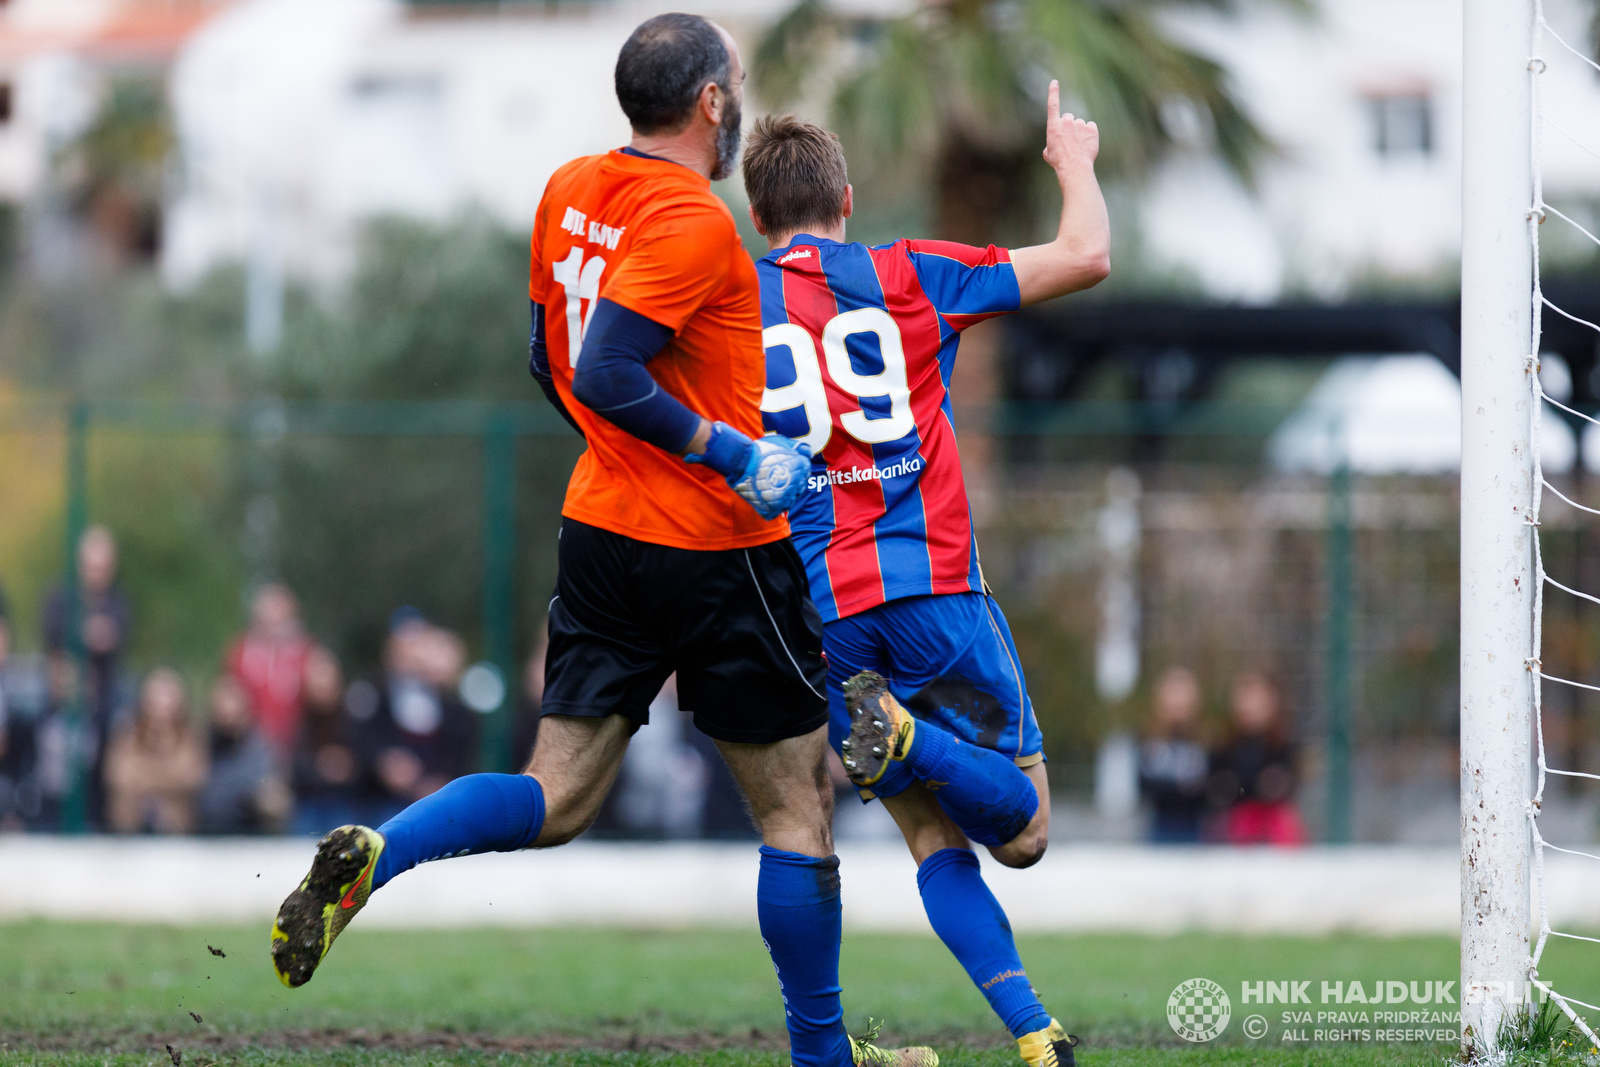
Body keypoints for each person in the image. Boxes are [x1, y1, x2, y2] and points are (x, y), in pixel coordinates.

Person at [270, 19, 927, 1065]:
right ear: (711, 101)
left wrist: (628, 456)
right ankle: (822, 1055)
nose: (741, 99)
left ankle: (380, 852)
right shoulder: (701, 223)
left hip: (600, 531)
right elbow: (612, 365)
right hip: (717, 545)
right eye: (739, 85)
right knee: (795, 804)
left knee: (557, 791)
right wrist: (721, 451)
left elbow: (549, 358)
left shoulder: (568, 188)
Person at [741, 95, 1109, 1067]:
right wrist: (1070, 160)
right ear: (847, 199)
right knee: (1023, 828)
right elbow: (1085, 255)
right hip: (936, 588)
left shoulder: (732, 301)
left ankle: (1035, 1030)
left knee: (926, 832)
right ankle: (908, 733)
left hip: (825, 615)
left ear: (754, 217)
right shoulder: (909, 275)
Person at [43, 525, 131, 828]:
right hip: (62, 696)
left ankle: (101, 818)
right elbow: (54, 638)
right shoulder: (60, 597)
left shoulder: (118, 600)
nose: (97, 573)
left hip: (104, 699)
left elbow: (115, 637)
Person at [1208, 670, 1307, 846]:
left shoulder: (1283, 744)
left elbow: (1282, 785)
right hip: (1236, 827)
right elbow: (1223, 789)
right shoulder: (1225, 745)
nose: (1250, 706)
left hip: (1273, 829)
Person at [104, 668, 207, 834]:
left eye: (168, 700)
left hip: (177, 834)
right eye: (155, 701)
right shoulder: (127, 733)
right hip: (128, 835)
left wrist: (145, 776)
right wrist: (166, 778)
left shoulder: (190, 737)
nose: (161, 709)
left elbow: (192, 777)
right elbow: (120, 777)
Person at [290, 645, 370, 836]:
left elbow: (367, 761)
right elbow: (294, 766)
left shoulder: (353, 715)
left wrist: (346, 767)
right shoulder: (300, 719)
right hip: (309, 802)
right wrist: (320, 767)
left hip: (346, 800)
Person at [227, 583, 315, 756]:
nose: (272, 616)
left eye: (278, 608)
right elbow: (228, 695)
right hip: (249, 747)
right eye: (266, 609)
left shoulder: (306, 652)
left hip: (298, 746)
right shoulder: (240, 651)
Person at [198, 674, 291, 834]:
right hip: (206, 838)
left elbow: (273, 794)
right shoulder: (202, 745)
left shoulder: (263, 748)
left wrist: (259, 796)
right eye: (221, 712)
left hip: (249, 840)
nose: (227, 717)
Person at [1137, 666, 1208, 844]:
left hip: (1195, 829)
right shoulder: (1149, 740)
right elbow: (1144, 784)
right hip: (1160, 828)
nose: (1177, 703)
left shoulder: (1205, 740)